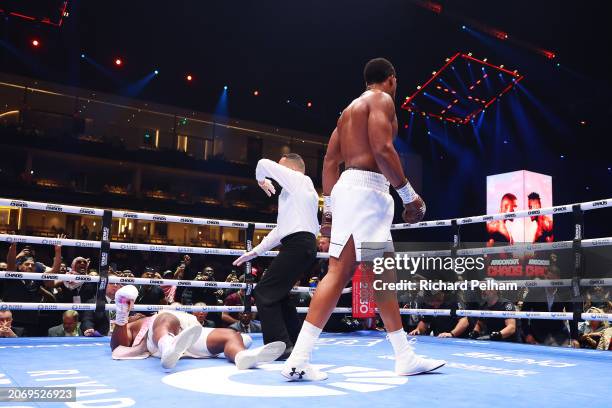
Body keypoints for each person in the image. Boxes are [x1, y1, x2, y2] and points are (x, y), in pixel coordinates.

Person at [281, 58, 444, 381]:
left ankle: (403, 356)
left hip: (347, 191)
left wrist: (328, 214)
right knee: (347, 272)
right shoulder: (381, 100)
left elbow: (329, 162)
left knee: (376, 273)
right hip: (367, 191)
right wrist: (410, 196)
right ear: (392, 80)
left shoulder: (346, 113)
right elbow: (383, 150)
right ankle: (298, 358)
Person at [233, 153, 319, 357]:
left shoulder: (300, 181)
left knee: (264, 292)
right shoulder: (293, 194)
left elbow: (262, 163)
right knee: (279, 295)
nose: (276, 173)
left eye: (281, 168)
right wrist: (255, 252)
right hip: (301, 245)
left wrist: (261, 180)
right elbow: (281, 230)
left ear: (293, 169)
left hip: (298, 245)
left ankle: (279, 346)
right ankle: (294, 344)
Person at [110, 285, 285, 370]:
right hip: (162, 336)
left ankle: (242, 357)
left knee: (230, 334)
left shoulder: (181, 317)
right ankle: (167, 348)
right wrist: (122, 313)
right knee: (165, 317)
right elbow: (117, 346)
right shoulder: (139, 322)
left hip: (189, 334)